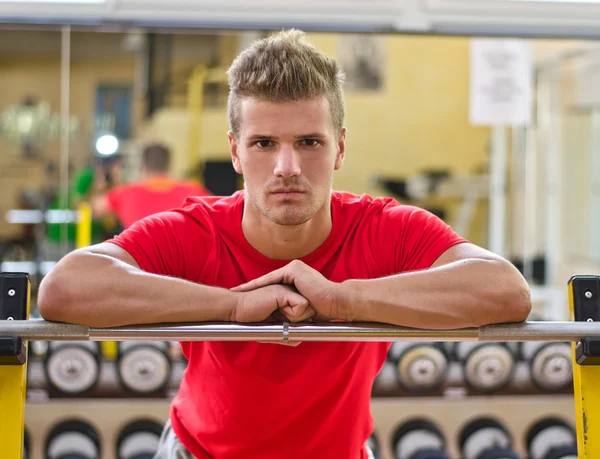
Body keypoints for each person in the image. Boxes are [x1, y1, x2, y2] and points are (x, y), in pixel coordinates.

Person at [37, 30, 532, 459]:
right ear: (236, 150)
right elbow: (64, 290)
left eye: (309, 143)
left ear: (340, 146)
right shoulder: (197, 230)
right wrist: (233, 306)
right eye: (264, 143)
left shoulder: (384, 229)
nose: (287, 167)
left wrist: (344, 298)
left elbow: (506, 293)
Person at [92, 143, 211, 229]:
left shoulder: (123, 193)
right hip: (182, 260)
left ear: (142, 167)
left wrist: (104, 183)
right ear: (169, 166)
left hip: (136, 260)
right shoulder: (194, 191)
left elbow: (96, 209)